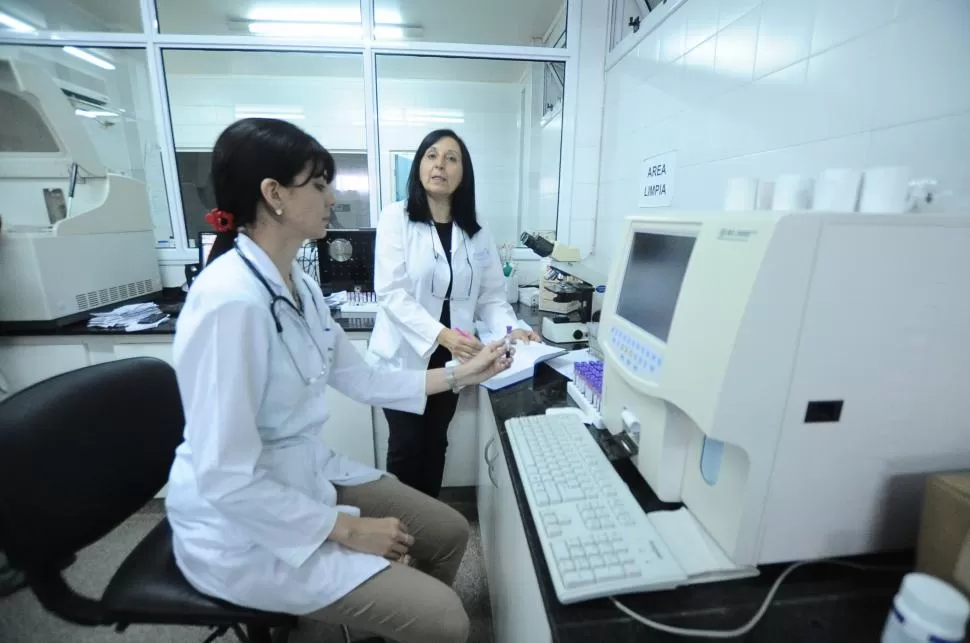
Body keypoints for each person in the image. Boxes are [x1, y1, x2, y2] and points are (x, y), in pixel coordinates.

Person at [165, 118, 513, 643]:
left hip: (302, 472)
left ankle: (387, 619)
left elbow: (366, 382)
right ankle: (404, 612)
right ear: (274, 195)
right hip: (244, 528)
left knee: (449, 530)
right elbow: (225, 477)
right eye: (321, 184)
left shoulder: (299, 287)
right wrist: (347, 528)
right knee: (447, 619)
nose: (334, 197)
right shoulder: (229, 304)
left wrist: (462, 372)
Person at [368, 129, 540, 499]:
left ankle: (428, 529)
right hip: (405, 356)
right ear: (419, 166)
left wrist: (513, 329)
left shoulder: (475, 230)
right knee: (406, 446)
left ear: (464, 172)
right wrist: (442, 334)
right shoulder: (395, 218)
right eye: (431, 156)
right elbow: (392, 292)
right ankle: (402, 535)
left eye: (451, 158)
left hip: (453, 360)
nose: (440, 165)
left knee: (435, 444)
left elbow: (492, 295)